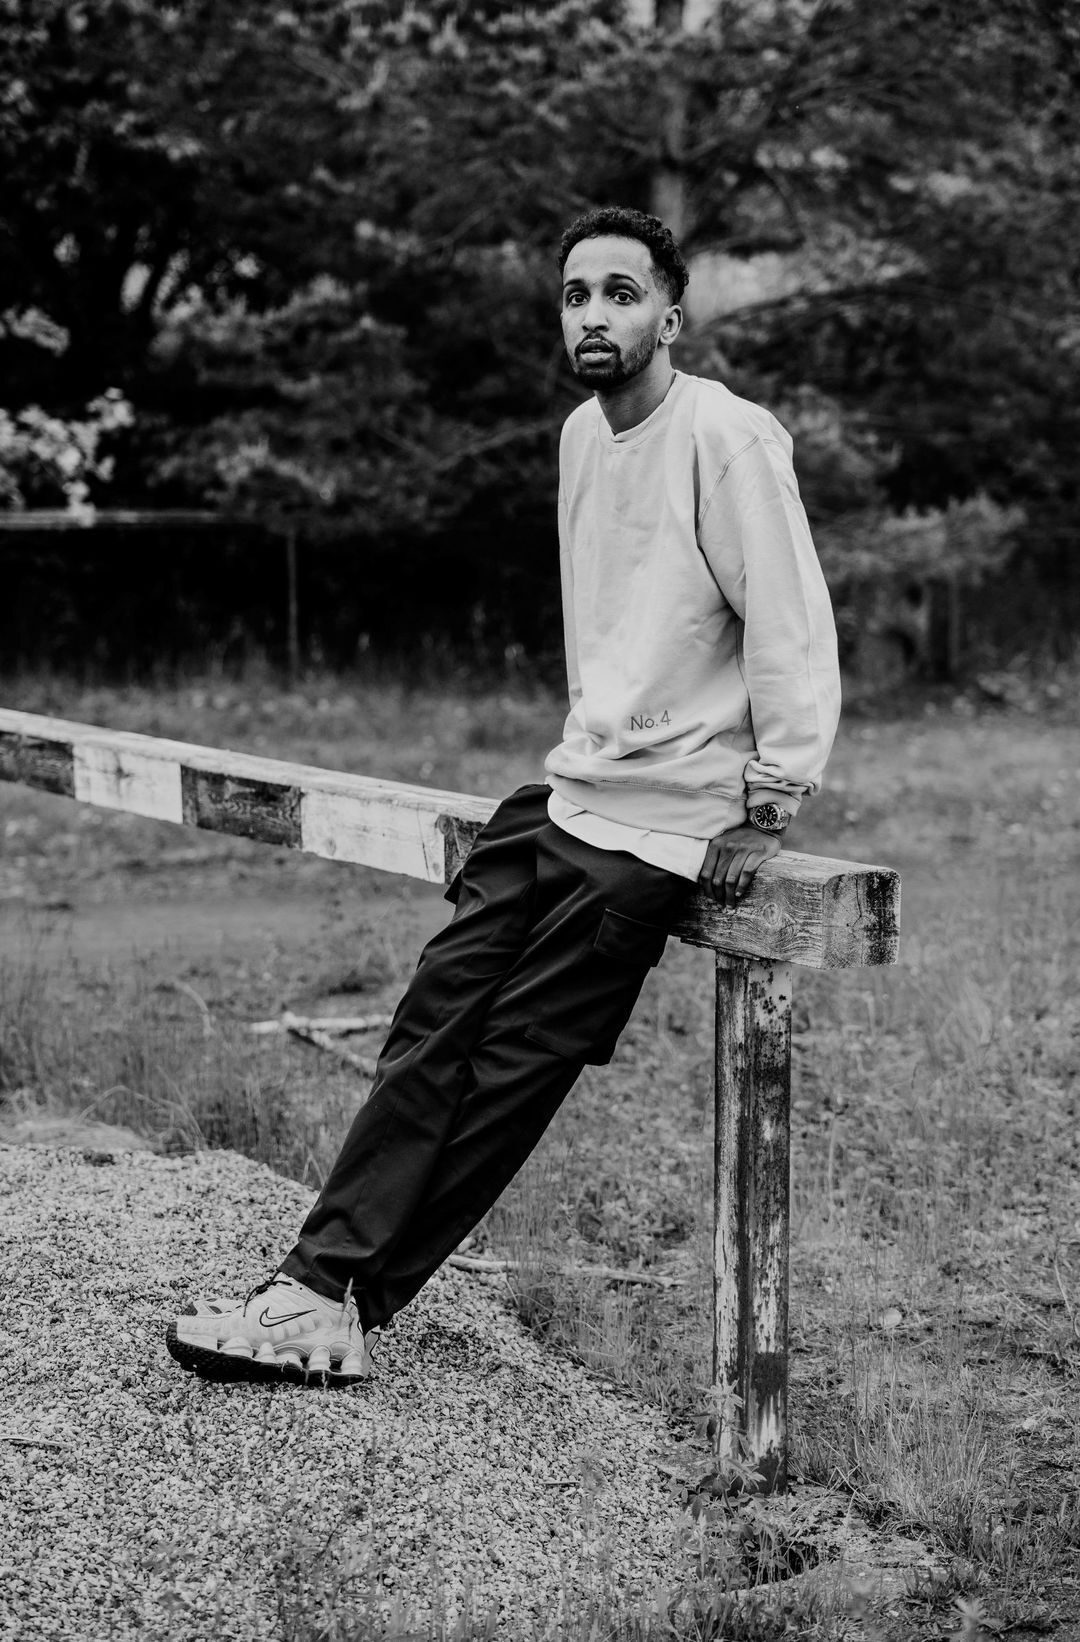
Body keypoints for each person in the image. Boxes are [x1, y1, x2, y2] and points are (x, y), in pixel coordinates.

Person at [166, 205, 841, 1386]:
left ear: (670, 318)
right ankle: (316, 1283)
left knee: (507, 1076)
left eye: (622, 293)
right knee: (429, 1030)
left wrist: (768, 803)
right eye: (577, 294)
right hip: (565, 795)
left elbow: (791, 623)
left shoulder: (726, 436)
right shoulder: (584, 436)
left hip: (657, 829)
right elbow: (615, 631)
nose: (595, 313)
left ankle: (333, 1299)